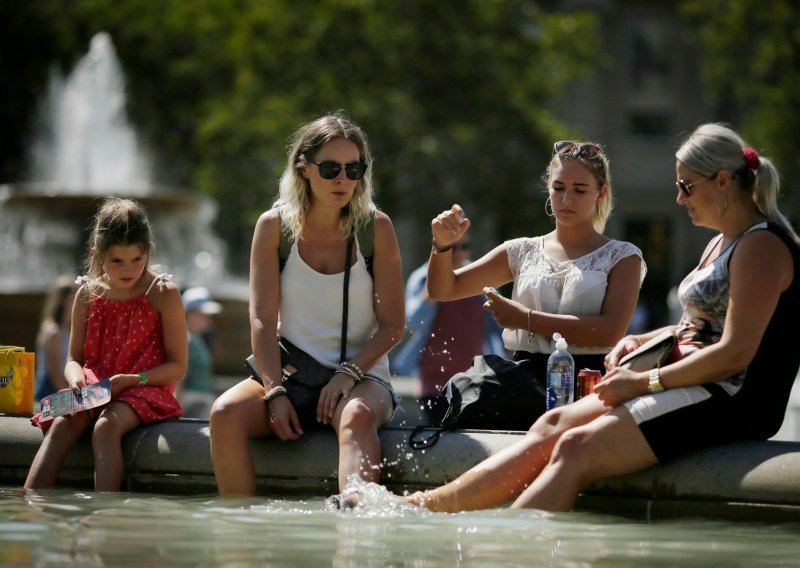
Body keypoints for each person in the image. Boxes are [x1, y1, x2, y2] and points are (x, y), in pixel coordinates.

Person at [405, 123, 800, 513]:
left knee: (575, 448)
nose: (679, 199)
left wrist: (644, 380)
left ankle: (513, 548)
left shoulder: (761, 246)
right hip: (693, 380)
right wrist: (643, 342)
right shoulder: (723, 242)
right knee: (553, 425)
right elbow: (699, 326)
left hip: (729, 397)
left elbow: (734, 354)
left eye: (686, 186)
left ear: (724, 181)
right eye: (559, 188)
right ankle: (427, 507)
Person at [209, 113, 405, 498]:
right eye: (331, 168)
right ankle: (240, 540)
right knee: (224, 414)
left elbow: (393, 325)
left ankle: (357, 536)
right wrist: (274, 391)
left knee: (356, 416)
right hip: (292, 374)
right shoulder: (273, 228)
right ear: (304, 168)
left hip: (362, 377)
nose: (343, 180)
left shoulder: (376, 228)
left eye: (354, 169)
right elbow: (263, 322)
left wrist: (349, 373)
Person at [25, 197, 187, 491]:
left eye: (137, 260)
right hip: (94, 387)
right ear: (97, 254)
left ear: (148, 252)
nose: (128, 270)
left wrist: (135, 379)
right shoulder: (87, 294)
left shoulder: (162, 292)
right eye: (117, 261)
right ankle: (30, 505)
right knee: (62, 424)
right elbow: (74, 357)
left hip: (144, 387)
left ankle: (105, 516)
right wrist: (74, 379)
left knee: (105, 427)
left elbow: (178, 366)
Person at [392, 234, 505, 424]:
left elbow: (500, 326)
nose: (459, 253)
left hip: (474, 380)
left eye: (464, 247)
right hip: (434, 383)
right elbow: (413, 321)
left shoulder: (479, 277)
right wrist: (436, 280)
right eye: (453, 248)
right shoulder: (422, 278)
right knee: (441, 439)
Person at [177, 286, 221, 418]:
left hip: (201, 403)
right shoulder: (186, 341)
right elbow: (179, 378)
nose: (209, 319)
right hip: (192, 405)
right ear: (189, 314)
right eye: (203, 314)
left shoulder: (197, 339)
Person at [33, 275, 77, 401]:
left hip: (64, 386)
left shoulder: (69, 328)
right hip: (49, 390)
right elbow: (54, 371)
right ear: (64, 299)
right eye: (75, 294)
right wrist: (70, 397)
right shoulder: (53, 330)